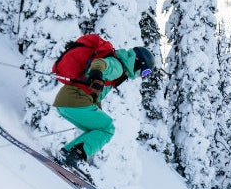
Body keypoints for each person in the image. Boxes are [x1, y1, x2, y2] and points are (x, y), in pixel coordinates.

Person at [53, 43, 155, 172]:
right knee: (108, 128)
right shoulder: (118, 67)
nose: (141, 76)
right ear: (138, 62)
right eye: (144, 72)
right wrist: (97, 76)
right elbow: (99, 63)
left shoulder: (118, 69)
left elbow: (95, 94)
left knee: (98, 129)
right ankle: (75, 156)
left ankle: (67, 153)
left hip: (66, 102)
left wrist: (96, 110)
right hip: (75, 100)